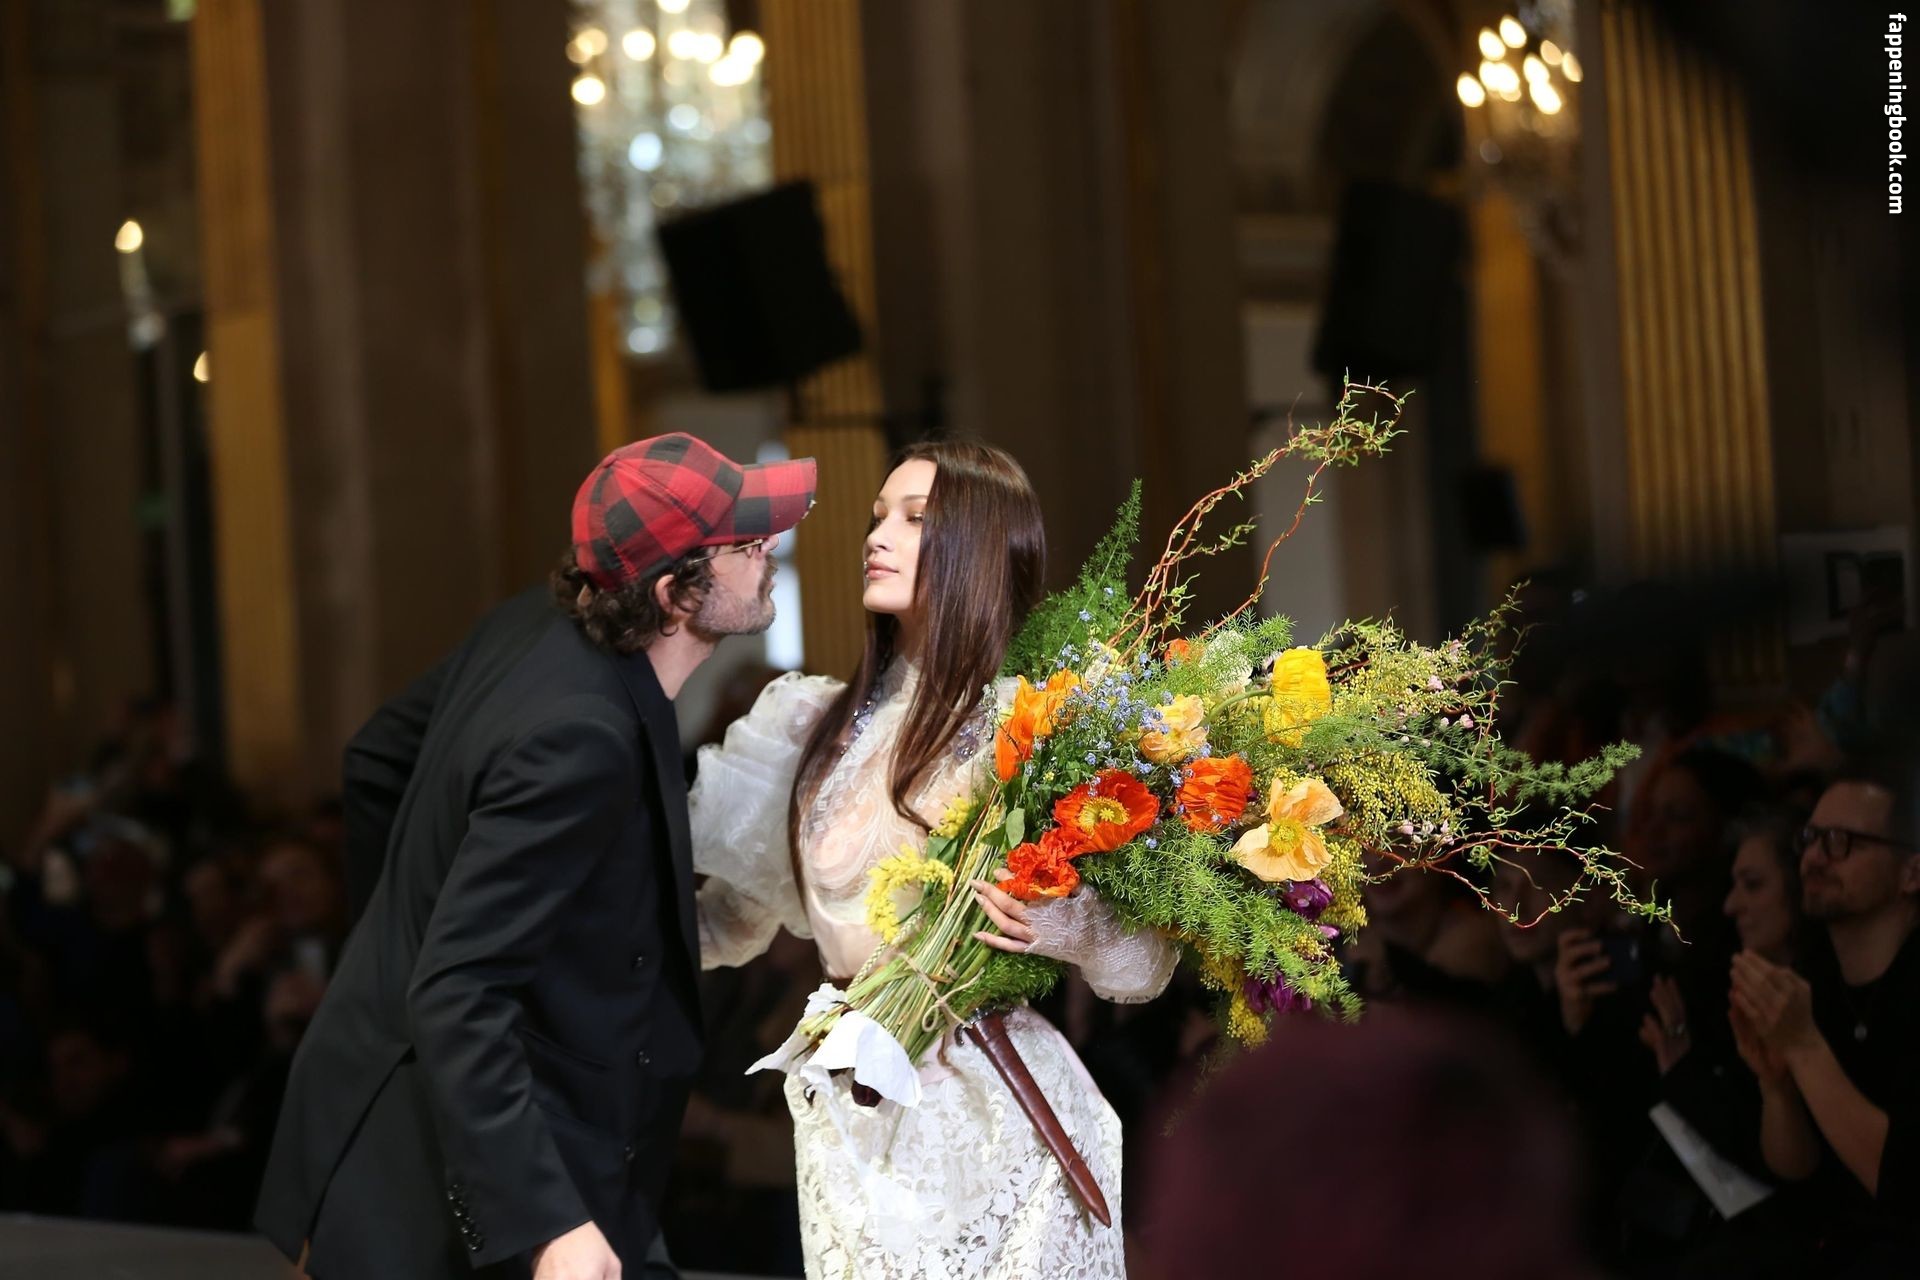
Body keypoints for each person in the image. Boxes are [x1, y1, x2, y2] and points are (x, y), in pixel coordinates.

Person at [254, 433, 816, 1280]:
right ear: (675, 594)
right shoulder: (580, 736)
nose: (768, 549)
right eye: (744, 545)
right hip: (448, 1181)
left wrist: (398, 950)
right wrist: (549, 1222)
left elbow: (375, 760)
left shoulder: (539, 623)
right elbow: (457, 988)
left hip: (500, 1119)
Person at [691, 441, 1176, 1278]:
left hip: (988, 1106)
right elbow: (729, 924)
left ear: (977, 548)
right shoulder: (809, 728)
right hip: (851, 1108)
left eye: (914, 519)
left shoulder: (1032, 727)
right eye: (878, 516)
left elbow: (1145, 966)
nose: (876, 536)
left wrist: (1069, 928)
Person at [1730, 760, 1920, 1274]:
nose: (1813, 858)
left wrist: (1804, 1046)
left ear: (1911, 872)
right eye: (1810, 839)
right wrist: (1777, 1087)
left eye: (1841, 842)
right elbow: (1797, 1170)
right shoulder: (1814, 978)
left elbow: (1904, 1185)